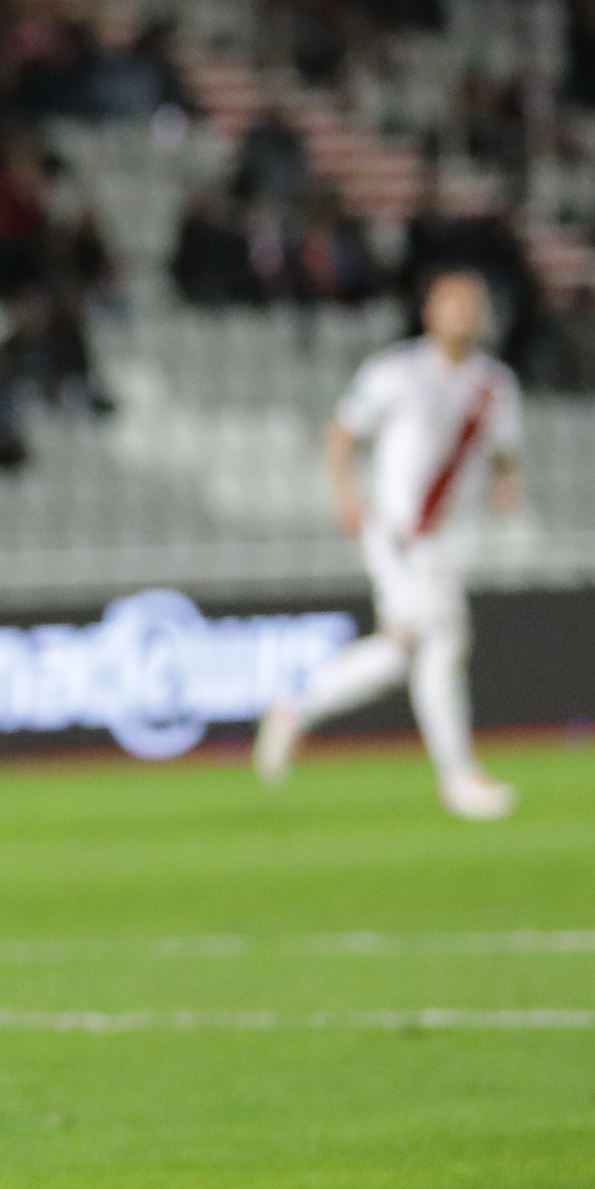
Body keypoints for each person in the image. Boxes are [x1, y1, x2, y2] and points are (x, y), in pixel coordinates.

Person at [255, 267, 524, 818]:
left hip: (446, 538)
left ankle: (293, 708)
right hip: (399, 531)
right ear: (430, 313)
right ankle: (459, 777)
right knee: (445, 637)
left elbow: (505, 450)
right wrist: (347, 495)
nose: (462, 315)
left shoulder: (495, 384)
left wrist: (505, 482)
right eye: (451, 304)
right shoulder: (396, 372)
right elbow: (340, 435)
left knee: (401, 651)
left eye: (471, 305)